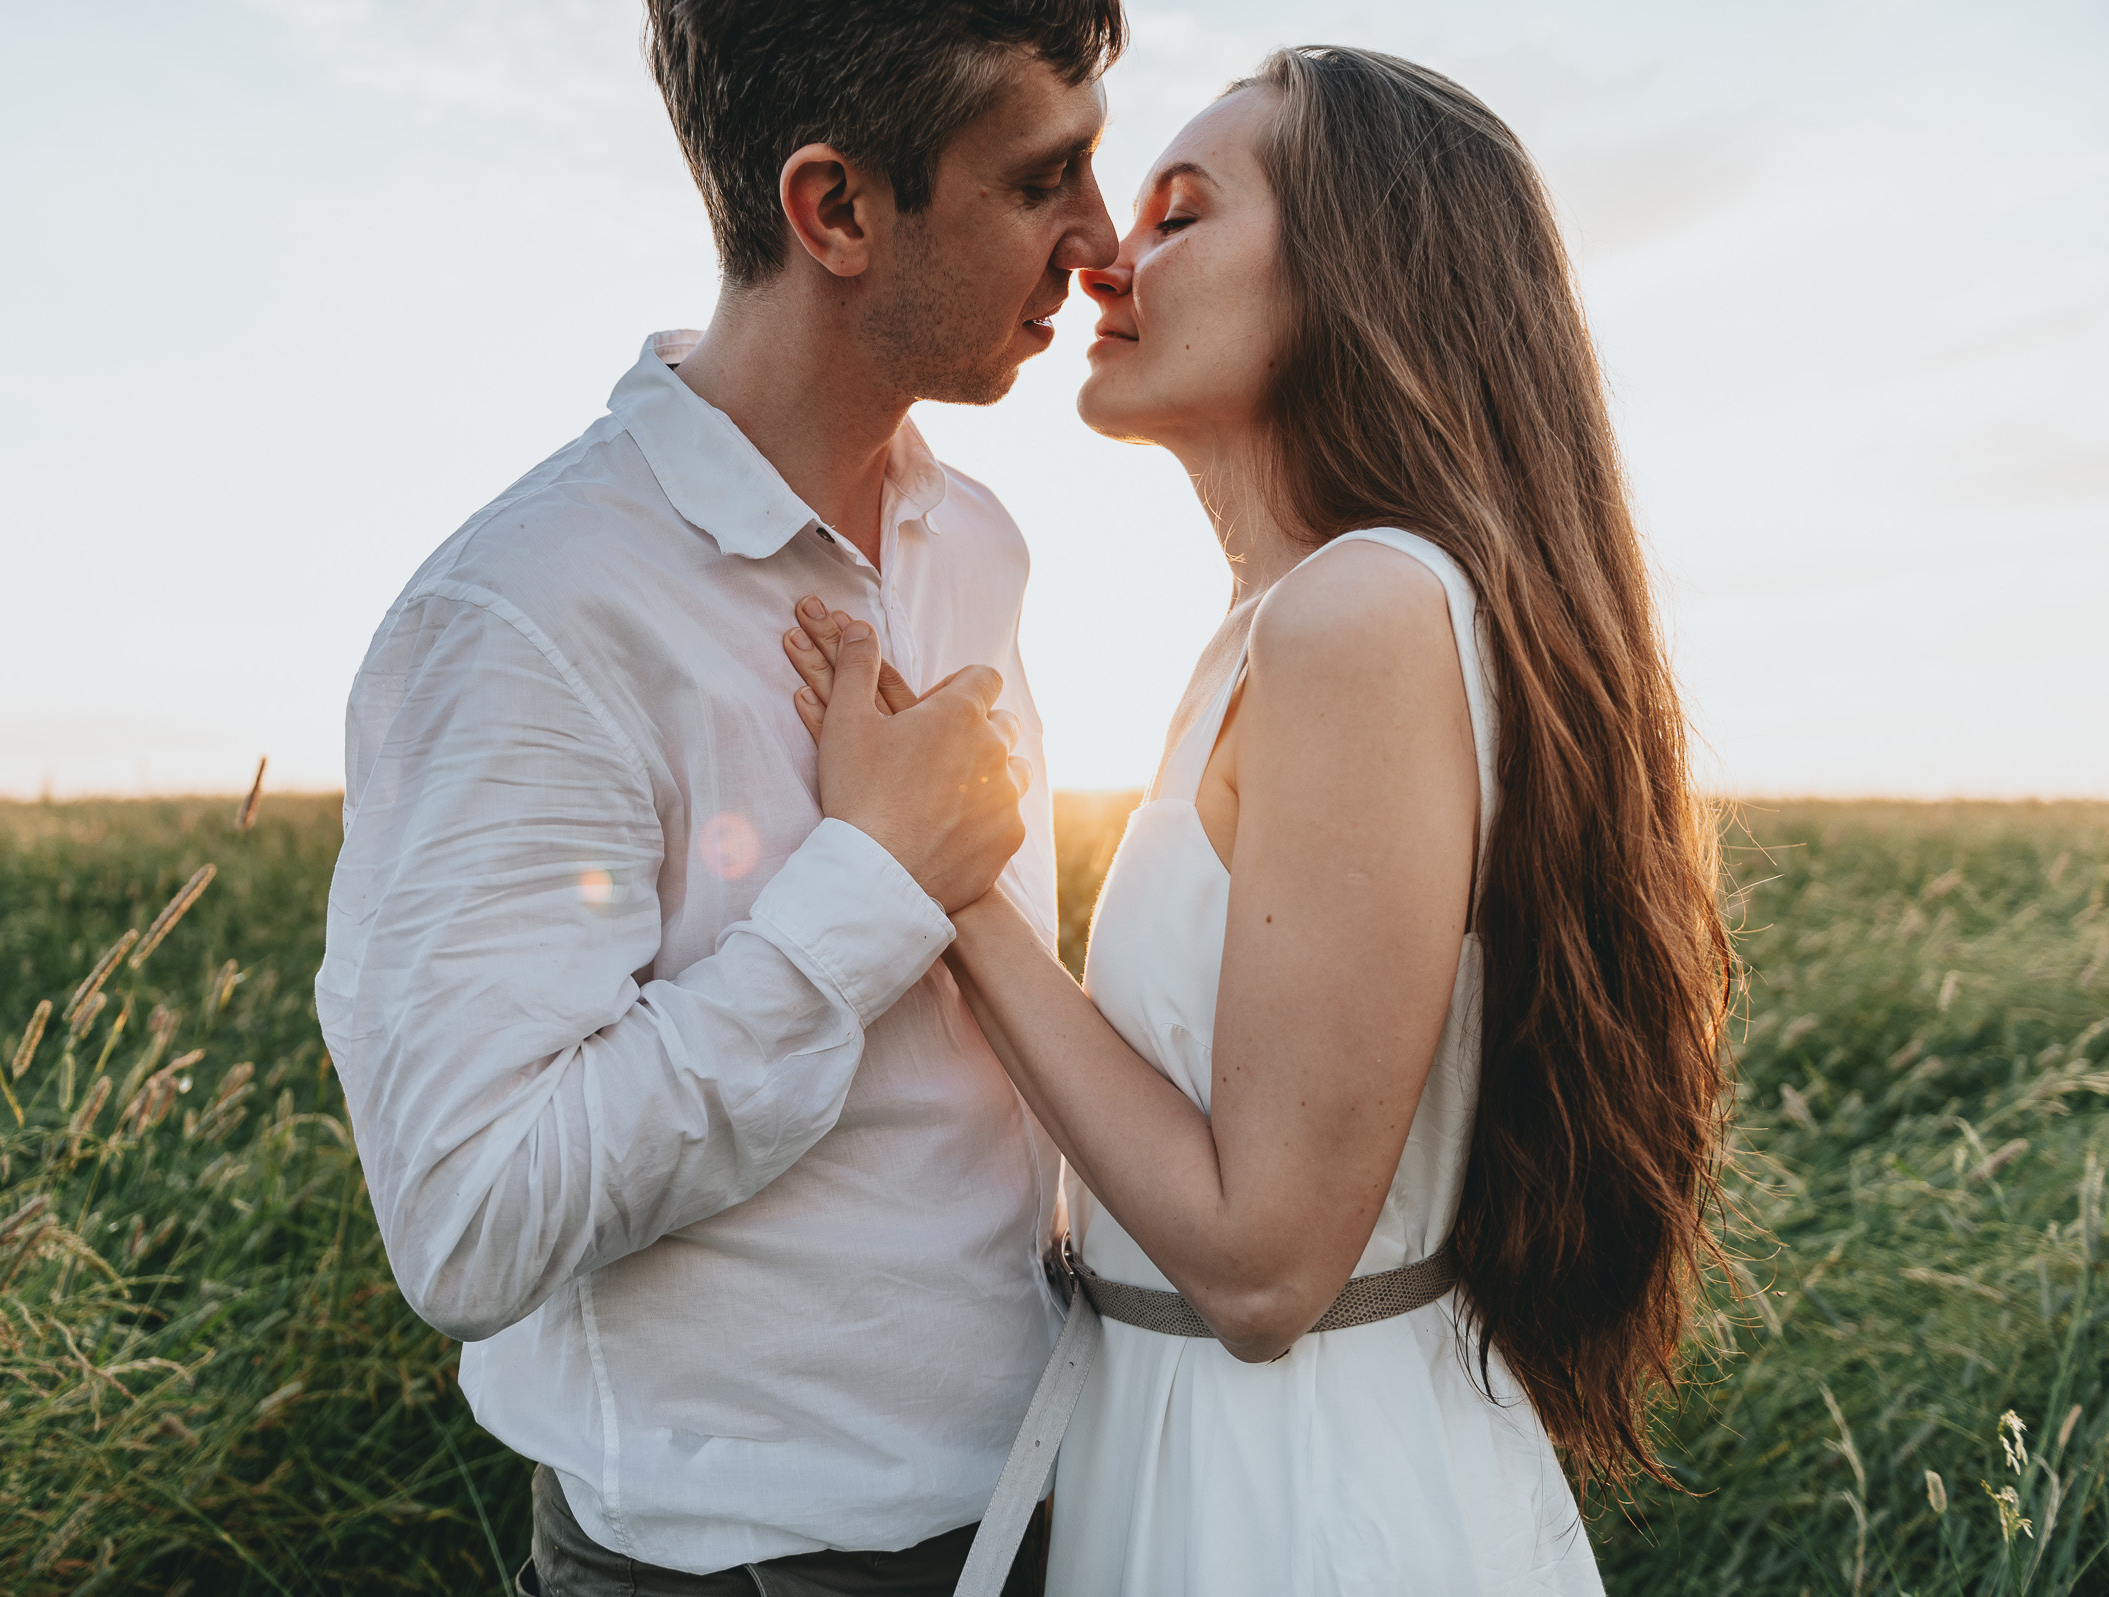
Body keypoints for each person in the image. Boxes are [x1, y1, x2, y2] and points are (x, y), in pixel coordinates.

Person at [783, 46, 1736, 1595]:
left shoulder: (1362, 610)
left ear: (1358, 275)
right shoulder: (1285, 620)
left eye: (1178, 214)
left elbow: (1263, 1258)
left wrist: (937, 877)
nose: (1102, 254)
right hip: (1210, 1450)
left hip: (1294, 1502)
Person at [312, 3, 1128, 1594]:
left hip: (1038, 1489)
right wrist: (871, 890)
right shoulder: (532, 613)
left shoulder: (975, 543)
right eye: (1045, 180)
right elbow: (469, 1217)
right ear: (833, 209)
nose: (1099, 242)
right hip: (740, 1561)